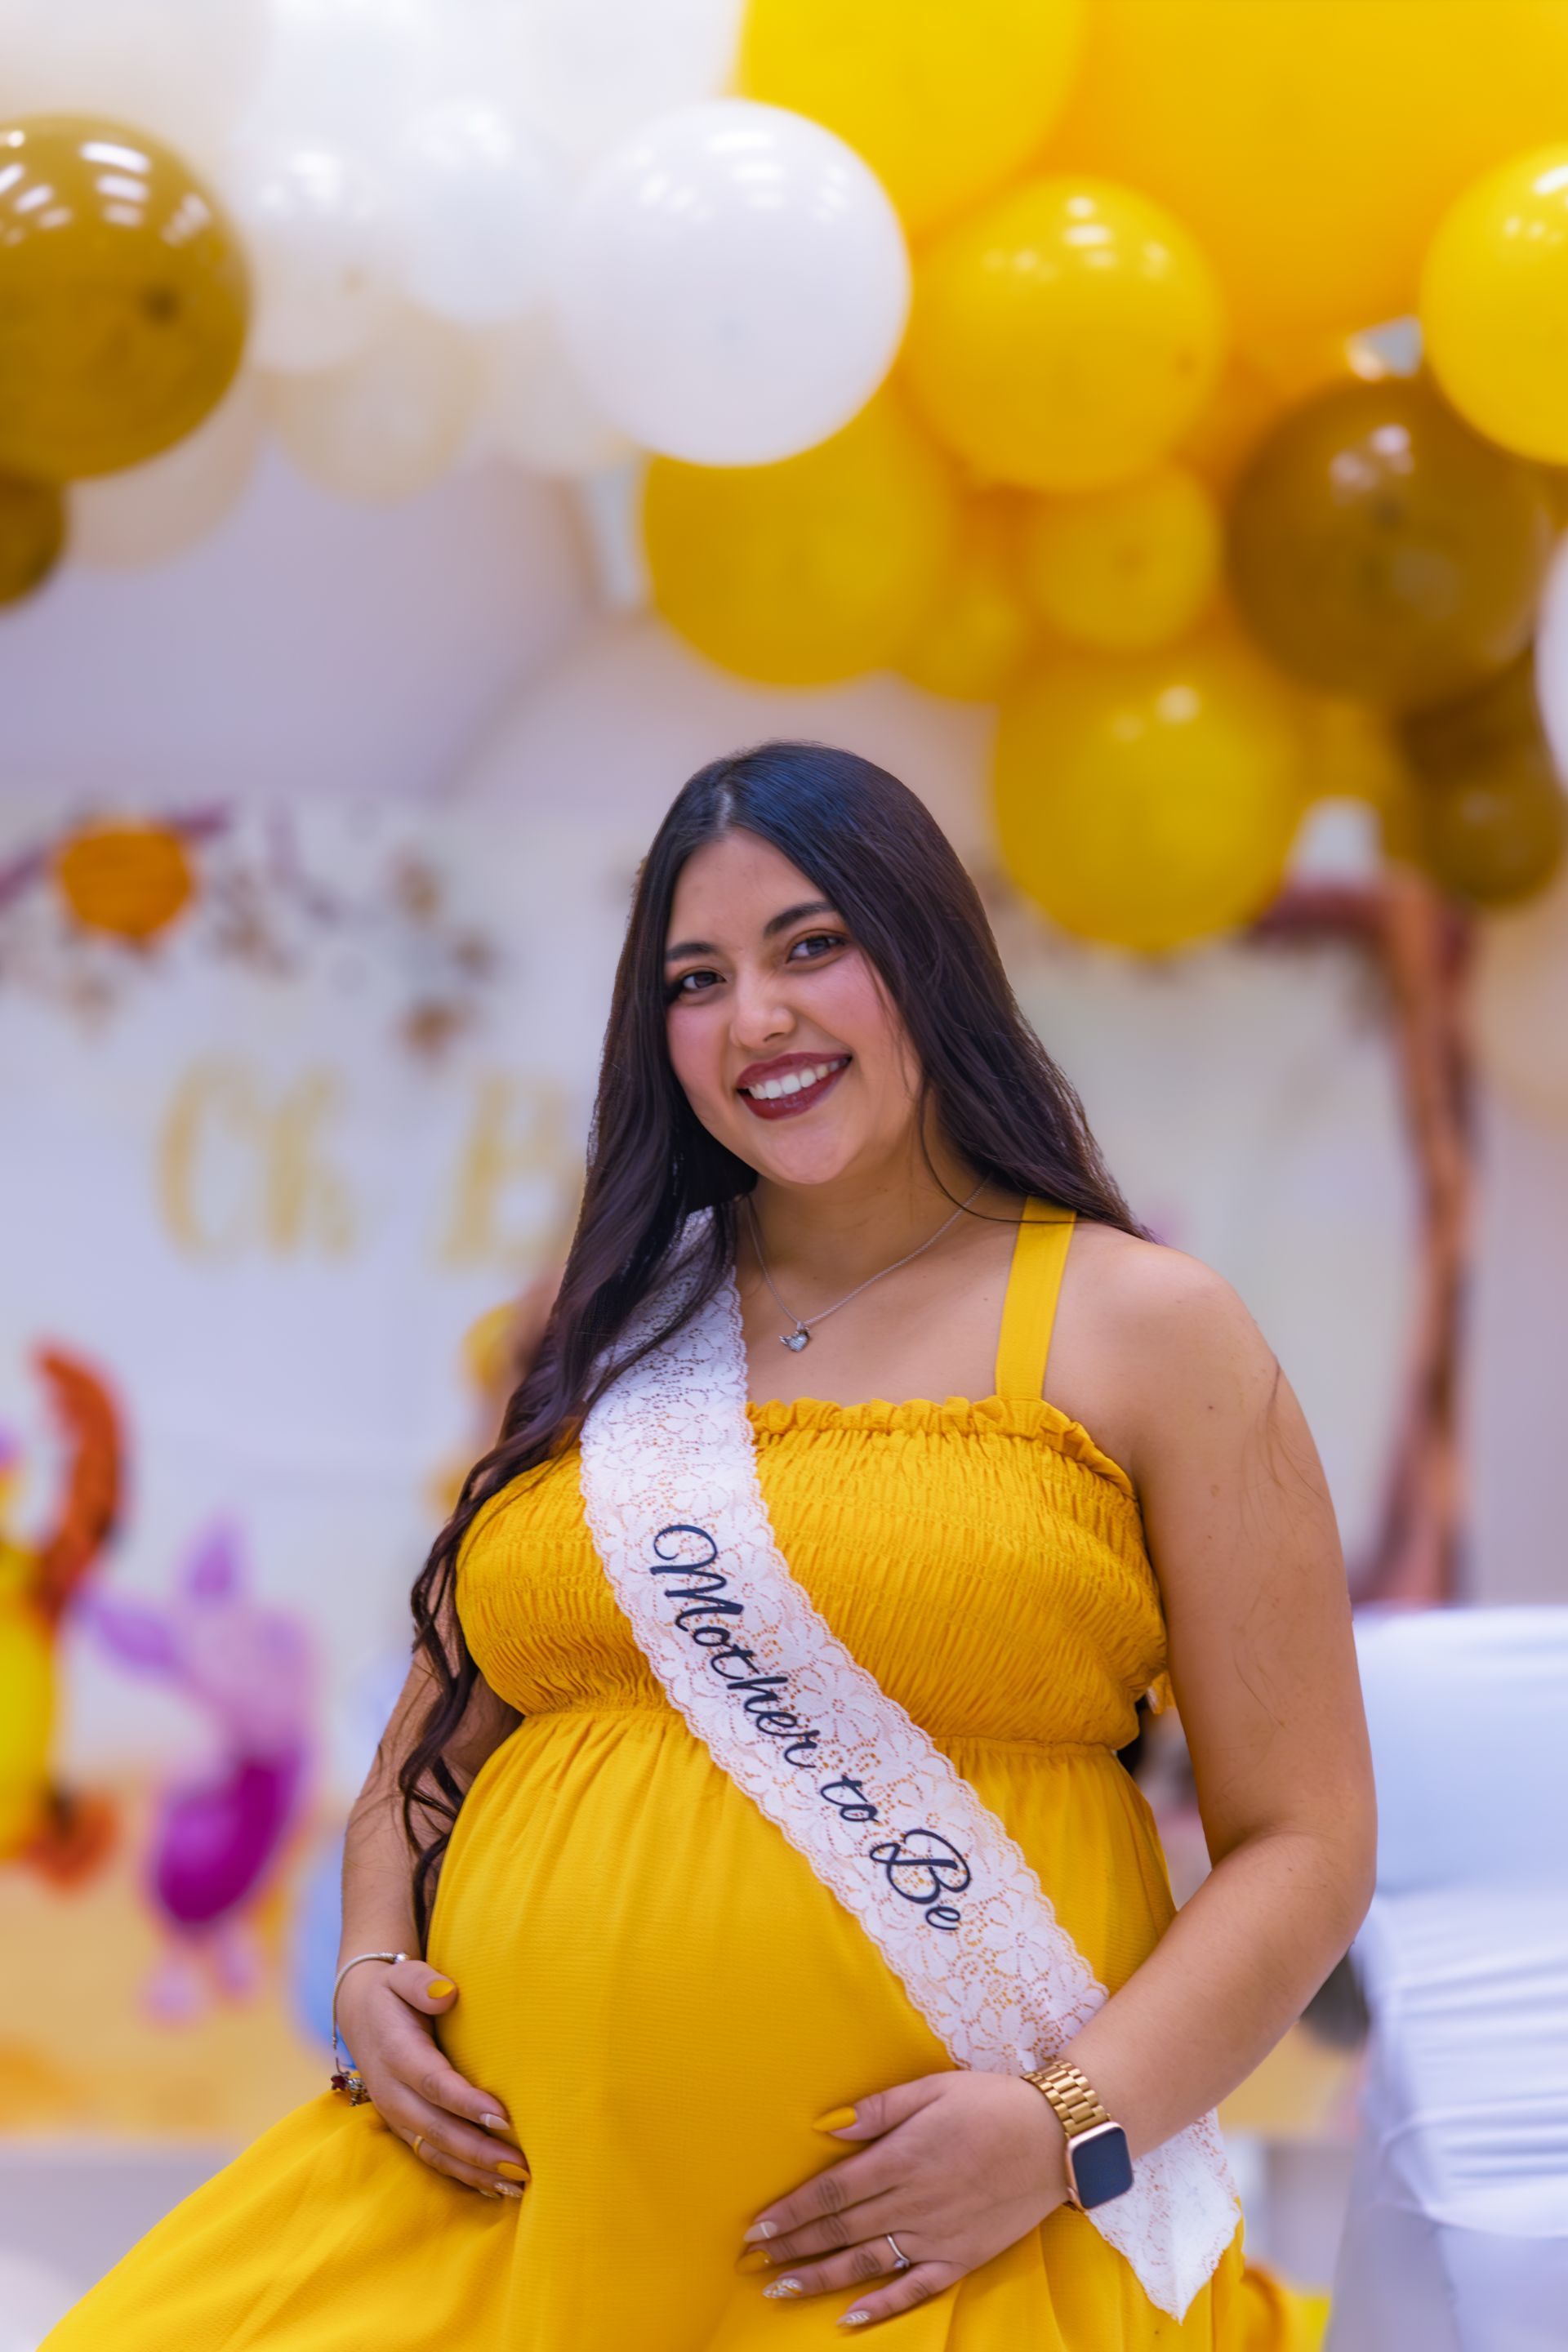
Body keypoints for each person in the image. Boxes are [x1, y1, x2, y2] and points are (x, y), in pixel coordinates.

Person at [47, 743, 1374, 2348]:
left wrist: (1061, 2131)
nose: (757, 1019)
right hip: (506, 2212)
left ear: (931, 959)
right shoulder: (604, 1320)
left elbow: (1306, 1843)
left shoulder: (1149, 1329)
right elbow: (432, 1737)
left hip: (923, 2269)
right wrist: (371, 1967)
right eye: (697, 978)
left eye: (812, 946)